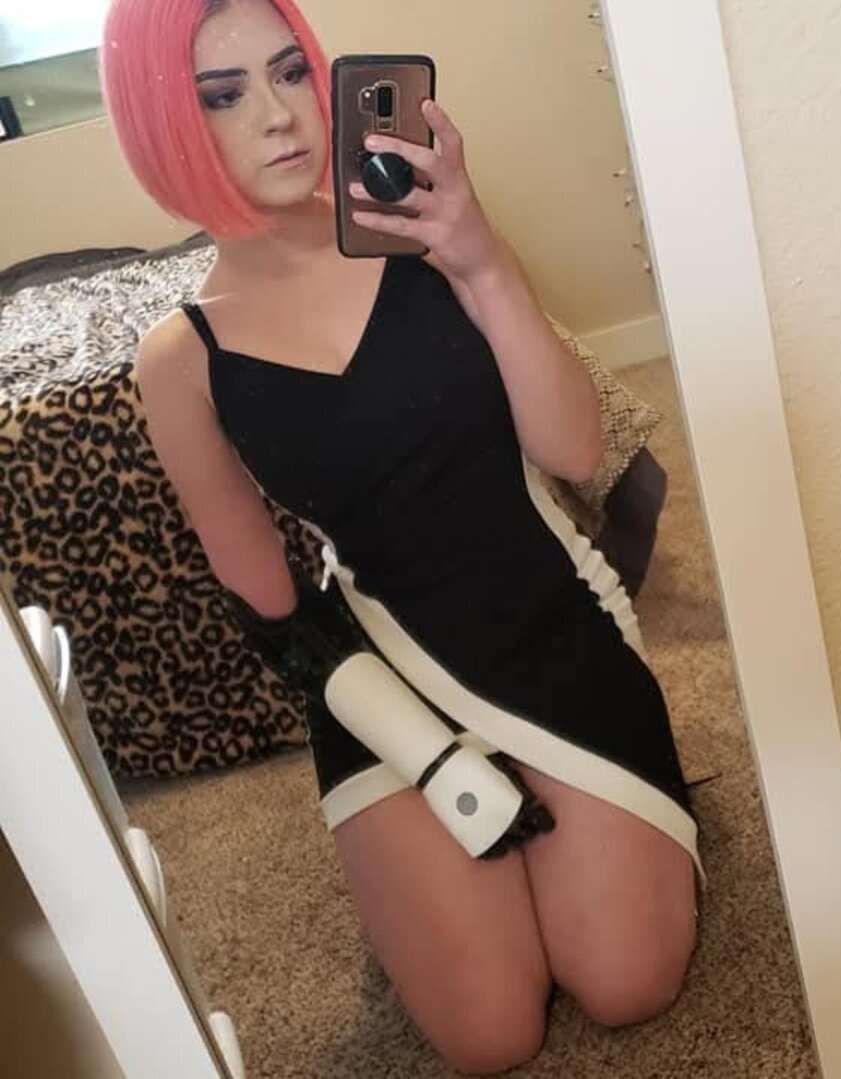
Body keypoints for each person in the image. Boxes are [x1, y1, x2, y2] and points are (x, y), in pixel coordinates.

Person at [101, 0, 702, 1073]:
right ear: (165, 126)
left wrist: (481, 261)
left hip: (547, 610)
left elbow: (574, 449)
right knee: (490, 1033)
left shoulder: (419, 227)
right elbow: (273, 610)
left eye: (291, 71)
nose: (279, 115)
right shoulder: (180, 358)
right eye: (223, 95)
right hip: (387, 662)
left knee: (628, 979)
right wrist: (411, 745)